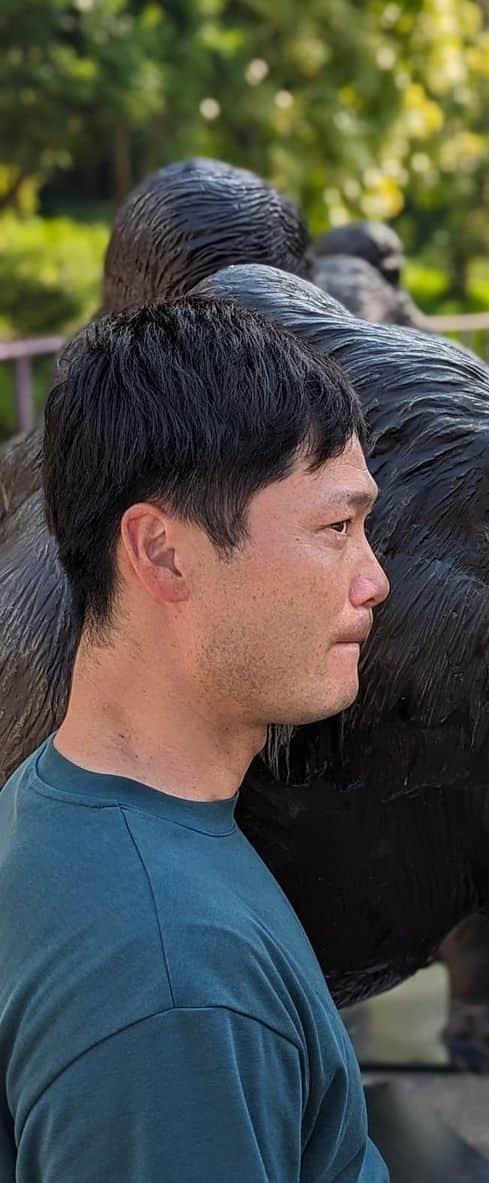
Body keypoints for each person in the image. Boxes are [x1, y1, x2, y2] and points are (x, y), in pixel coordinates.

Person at [0, 296, 391, 1181]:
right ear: (164, 554)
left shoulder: (52, 801)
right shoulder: (173, 985)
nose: (375, 580)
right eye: (336, 529)